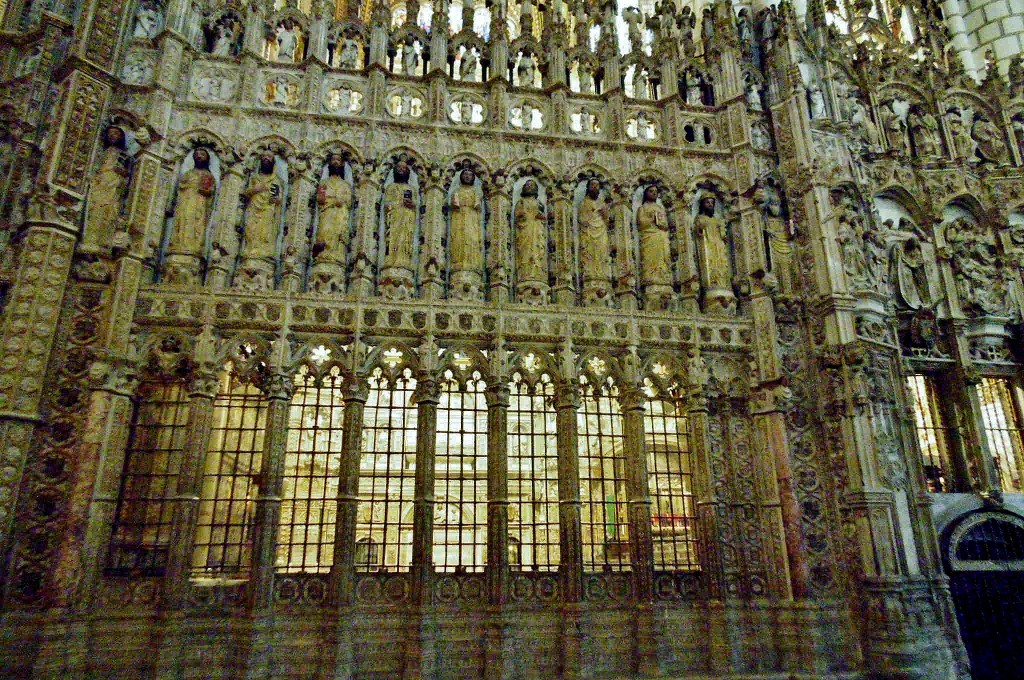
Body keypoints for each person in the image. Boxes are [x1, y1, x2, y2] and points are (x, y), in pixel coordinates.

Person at [83, 125, 132, 251]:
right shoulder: (101, 153)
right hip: (100, 183)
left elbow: (127, 174)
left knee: (110, 210)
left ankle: (104, 240)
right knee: (95, 208)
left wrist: (120, 173)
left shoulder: (124, 155)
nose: (112, 135)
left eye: (115, 133)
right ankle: (90, 239)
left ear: (121, 136)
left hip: (114, 183)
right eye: (110, 133)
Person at [169, 148, 216, 256]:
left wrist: (205, 190)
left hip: (199, 202)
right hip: (186, 200)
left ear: (207, 158)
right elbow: (180, 186)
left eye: (202, 154)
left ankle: (194, 245)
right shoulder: (188, 173)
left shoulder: (208, 175)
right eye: (197, 154)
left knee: (197, 223)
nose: (199, 156)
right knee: (183, 220)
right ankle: (179, 243)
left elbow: (210, 191)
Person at [241, 152, 283, 261]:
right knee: (251, 229)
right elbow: (246, 193)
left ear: (273, 162)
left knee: (266, 231)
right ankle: (249, 249)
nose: (266, 158)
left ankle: (264, 251)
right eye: (264, 157)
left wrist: (274, 199)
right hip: (253, 207)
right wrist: (255, 189)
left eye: (269, 157)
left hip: (267, 209)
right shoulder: (255, 178)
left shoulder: (274, 180)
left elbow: (277, 198)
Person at [314, 154, 352, 263]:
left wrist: (341, 201)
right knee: (325, 231)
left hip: (340, 214)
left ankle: (337, 253)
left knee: (338, 234)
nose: (336, 162)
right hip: (327, 212)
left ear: (342, 164)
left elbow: (348, 201)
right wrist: (332, 200)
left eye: (338, 160)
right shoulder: (324, 183)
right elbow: (320, 199)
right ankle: (322, 253)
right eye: (333, 160)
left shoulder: (345, 185)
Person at [383, 159, 418, 270]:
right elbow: (387, 204)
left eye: (404, 168)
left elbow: (415, 206)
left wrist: (412, 205)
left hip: (407, 217)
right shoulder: (391, 187)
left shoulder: (411, 189)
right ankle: (391, 259)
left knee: (405, 238)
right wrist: (398, 204)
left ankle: (405, 260)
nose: (401, 170)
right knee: (393, 238)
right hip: (394, 217)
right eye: (399, 168)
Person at [449, 168, 483, 273]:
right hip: (458, 218)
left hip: (472, 218)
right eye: (465, 174)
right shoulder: (457, 191)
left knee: (472, 238)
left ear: (473, 178)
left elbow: (477, 205)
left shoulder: (476, 191)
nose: (467, 177)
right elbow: (455, 204)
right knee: (458, 239)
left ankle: (473, 263)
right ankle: (457, 263)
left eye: (470, 175)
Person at [636, 185, 671, 286]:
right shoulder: (643, 208)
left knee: (662, 257)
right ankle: (650, 277)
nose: (654, 193)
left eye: (656, 191)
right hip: (649, 236)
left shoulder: (660, 208)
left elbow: (665, 225)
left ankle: (663, 277)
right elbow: (641, 222)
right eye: (651, 191)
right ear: (646, 194)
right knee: (650, 256)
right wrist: (651, 218)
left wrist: (661, 223)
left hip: (660, 236)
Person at [694, 194, 730, 291]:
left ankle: (723, 284)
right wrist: (700, 228)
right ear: (702, 205)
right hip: (707, 245)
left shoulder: (716, 219)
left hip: (718, 246)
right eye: (707, 202)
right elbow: (698, 232)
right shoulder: (700, 218)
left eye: (712, 203)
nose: (710, 205)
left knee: (721, 265)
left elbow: (723, 234)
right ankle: (711, 285)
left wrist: (723, 236)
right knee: (710, 266)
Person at [514, 180, 547, 282]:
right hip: (525, 229)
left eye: (532, 185)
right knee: (525, 251)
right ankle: (525, 273)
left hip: (537, 230)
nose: (529, 187)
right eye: (527, 185)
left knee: (537, 251)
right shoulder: (521, 202)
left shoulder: (540, 203)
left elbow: (543, 217)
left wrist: (540, 216)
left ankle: (537, 273)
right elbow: (518, 214)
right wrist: (524, 215)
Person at [579, 179, 611, 283]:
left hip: (601, 229)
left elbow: (607, 220)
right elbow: (582, 218)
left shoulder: (601, 203)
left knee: (602, 250)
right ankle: (590, 272)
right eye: (592, 185)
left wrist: (604, 212)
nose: (594, 187)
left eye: (597, 185)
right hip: (589, 229)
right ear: (588, 188)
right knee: (589, 251)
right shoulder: (584, 202)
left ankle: (603, 272)